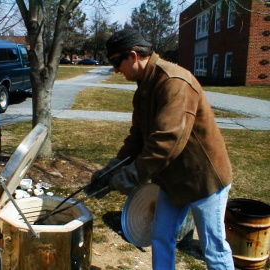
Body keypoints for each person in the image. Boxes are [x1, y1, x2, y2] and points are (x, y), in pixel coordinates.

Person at [85, 29, 235, 270]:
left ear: (133, 56)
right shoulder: (145, 86)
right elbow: (138, 138)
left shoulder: (173, 82)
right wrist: (111, 170)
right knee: (161, 237)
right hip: (172, 179)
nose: (115, 69)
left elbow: (167, 141)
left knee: (213, 248)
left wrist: (131, 176)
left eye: (116, 61)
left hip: (203, 180)